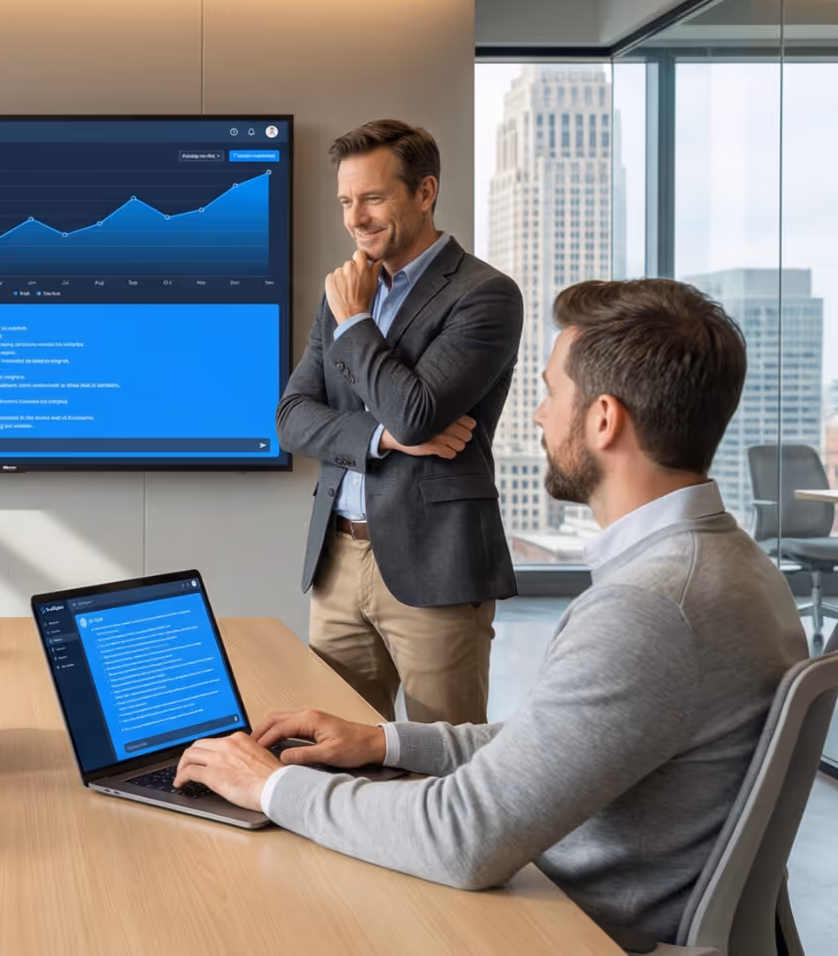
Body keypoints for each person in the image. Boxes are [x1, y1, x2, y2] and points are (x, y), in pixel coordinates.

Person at [177, 278, 809, 953]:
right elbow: (553, 744)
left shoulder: (651, 608)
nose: (537, 414)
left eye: (549, 391)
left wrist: (271, 784)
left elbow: (462, 836)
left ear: (603, 419)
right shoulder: (735, 565)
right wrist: (386, 742)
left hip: (564, 926)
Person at [276, 120, 523, 725]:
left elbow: (417, 412)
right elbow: (291, 417)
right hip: (337, 560)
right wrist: (383, 438)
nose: (356, 217)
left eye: (373, 198)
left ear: (425, 192)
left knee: (443, 762)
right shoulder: (341, 293)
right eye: (345, 201)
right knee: (331, 752)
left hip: (435, 563)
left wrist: (358, 323)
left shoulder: (484, 294)